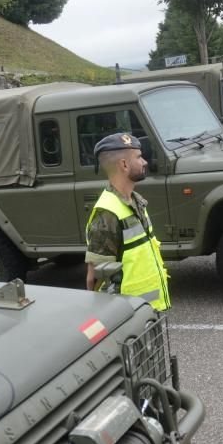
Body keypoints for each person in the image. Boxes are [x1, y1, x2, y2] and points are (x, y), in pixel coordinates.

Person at [84, 132, 170, 311]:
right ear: (124, 164)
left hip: (148, 310)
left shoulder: (136, 202)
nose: (145, 162)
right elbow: (94, 277)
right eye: (139, 157)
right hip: (127, 315)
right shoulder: (107, 213)